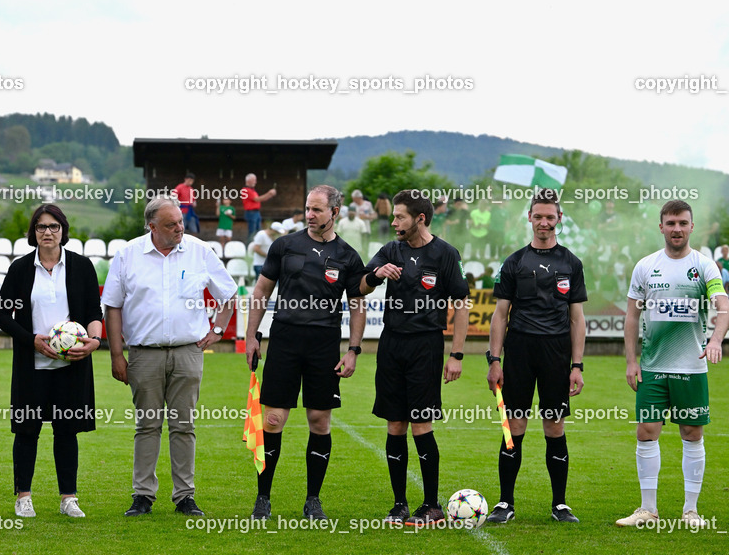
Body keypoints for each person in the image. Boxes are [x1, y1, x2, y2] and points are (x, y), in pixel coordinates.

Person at [102, 197, 237, 517]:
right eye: (171, 224)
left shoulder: (200, 251)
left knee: (183, 425)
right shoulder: (127, 255)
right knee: (146, 425)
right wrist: (116, 355)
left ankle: (185, 496)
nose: (180, 228)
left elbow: (228, 294)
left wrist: (218, 330)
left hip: (188, 352)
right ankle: (143, 495)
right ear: (152, 227)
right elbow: (113, 306)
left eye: (180, 221)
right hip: (143, 354)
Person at [244, 185, 366, 521]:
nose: (310, 215)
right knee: (273, 419)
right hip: (284, 339)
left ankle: (313, 500)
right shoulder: (285, 246)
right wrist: (251, 336)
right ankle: (263, 498)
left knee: (319, 421)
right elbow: (261, 291)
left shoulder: (348, 256)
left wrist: (354, 349)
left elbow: (357, 305)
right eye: (308, 209)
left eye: (317, 210)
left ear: (335, 213)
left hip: (324, 344)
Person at [358, 189, 469, 526]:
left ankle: (432, 505)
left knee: (421, 422)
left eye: (400, 217)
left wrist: (457, 354)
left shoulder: (445, 254)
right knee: (395, 424)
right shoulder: (391, 249)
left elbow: (461, 305)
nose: (393, 222)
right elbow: (359, 286)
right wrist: (376, 275)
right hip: (392, 344)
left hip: (426, 345)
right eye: (393, 216)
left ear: (420, 218)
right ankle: (399, 504)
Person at [618, 200, 728, 528]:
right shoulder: (645, 267)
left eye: (682, 223)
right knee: (646, 431)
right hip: (653, 366)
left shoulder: (705, 266)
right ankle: (647, 509)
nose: (676, 228)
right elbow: (632, 317)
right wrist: (631, 361)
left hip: (691, 367)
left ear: (692, 226)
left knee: (692, 433)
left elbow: (723, 307)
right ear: (661, 227)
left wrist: (715, 340)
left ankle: (690, 511)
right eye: (670, 223)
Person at [0, 204, 103, 519]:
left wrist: (94, 342)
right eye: (41, 227)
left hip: (72, 367)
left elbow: (94, 313)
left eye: (54, 226)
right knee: (27, 431)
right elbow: (2, 315)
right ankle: (23, 496)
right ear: (33, 232)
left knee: (66, 431)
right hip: (33, 366)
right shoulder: (21, 269)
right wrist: (33, 341)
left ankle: (68, 498)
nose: (47, 232)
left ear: (63, 231)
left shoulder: (82, 267)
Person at [486, 189, 587, 524]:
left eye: (550, 217)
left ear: (559, 219)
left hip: (556, 352)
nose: (544, 222)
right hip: (519, 350)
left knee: (554, 426)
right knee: (513, 426)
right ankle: (505, 503)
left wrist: (577, 365)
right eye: (538, 216)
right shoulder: (514, 262)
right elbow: (500, 315)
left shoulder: (571, 263)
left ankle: (559, 504)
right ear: (529, 218)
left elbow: (577, 319)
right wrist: (494, 360)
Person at [241, 173, 277, 240]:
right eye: (254, 180)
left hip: (256, 212)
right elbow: (257, 199)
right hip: (251, 212)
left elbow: (261, 199)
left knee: (258, 232)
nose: (255, 182)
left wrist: (270, 195)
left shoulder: (252, 190)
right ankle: (250, 248)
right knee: (252, 232)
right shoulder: (245, 189)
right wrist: (269, 193)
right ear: (248, 180)